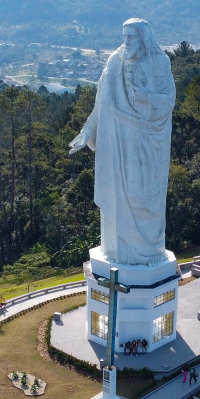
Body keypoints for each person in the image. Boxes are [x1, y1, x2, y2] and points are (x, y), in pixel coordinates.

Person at [69, 18, 176, 267]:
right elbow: (102, 105)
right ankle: (116, 251)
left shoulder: (159, 62)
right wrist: (87, 132)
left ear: (143, 38)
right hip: (116, 142)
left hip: (145, 144)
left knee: (142, 198)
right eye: (124, 37)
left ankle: (148, 252)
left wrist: (146, 98)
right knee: (116, 197)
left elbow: (169, 99)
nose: (126, 42)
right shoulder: (114, 62)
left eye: (131, 37)